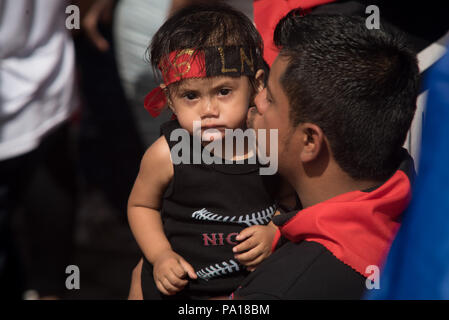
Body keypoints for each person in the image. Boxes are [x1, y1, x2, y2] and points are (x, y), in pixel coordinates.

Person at [232, 11, 419, 299]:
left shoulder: (278, 291)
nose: (255, 101)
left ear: (309, 141)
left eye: (270, 97)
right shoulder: (425, 216)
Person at [127, 4, 295, 300]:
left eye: (223, 91)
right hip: (183, 291)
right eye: (191, 96)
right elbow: (142, 206)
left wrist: (274, 231)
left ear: (256, 85)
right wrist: (161, 255)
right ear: (169, 98)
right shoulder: (166, 155)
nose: (208, 110)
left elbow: (290, 199)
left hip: (252, 290)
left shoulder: (270, 145)